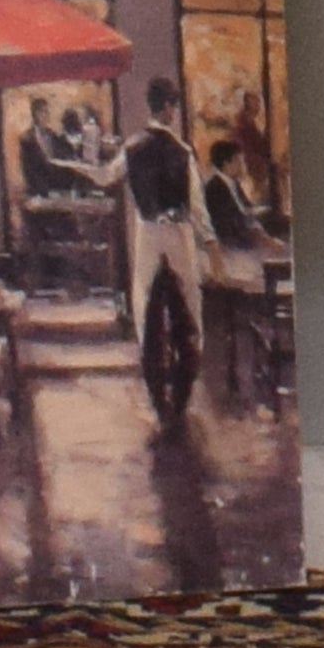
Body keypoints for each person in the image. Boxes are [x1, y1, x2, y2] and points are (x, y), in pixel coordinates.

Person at [122, 77, 223, 428]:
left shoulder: (130, 149)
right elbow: (197, 209)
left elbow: (105, 177)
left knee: (146, 314)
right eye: (174, 106)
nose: (174, 112)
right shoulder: (182, 153)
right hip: (178, 238)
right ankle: (180, 399)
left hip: (148, 236)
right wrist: (212, 248)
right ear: (167, 108)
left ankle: (157, 400)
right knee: (188, 315)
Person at [204, 140, 281, 251]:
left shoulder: (234, 184)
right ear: (227, 164)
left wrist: (266, 239)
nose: (244, 165)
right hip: (232, 245)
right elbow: (230, 224)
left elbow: (247, 211)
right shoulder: (214, 188)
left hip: (246, 238)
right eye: (240, 161)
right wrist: (264, 241)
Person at [18, 98, 78, 196]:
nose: (47, 115)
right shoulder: (27, 139)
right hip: (38, 191)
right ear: (36, 114)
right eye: (43, 112)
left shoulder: (53, 135)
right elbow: (29, 172)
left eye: (47, 111)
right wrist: (45, 192)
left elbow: (64, 158)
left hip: (57, 188)